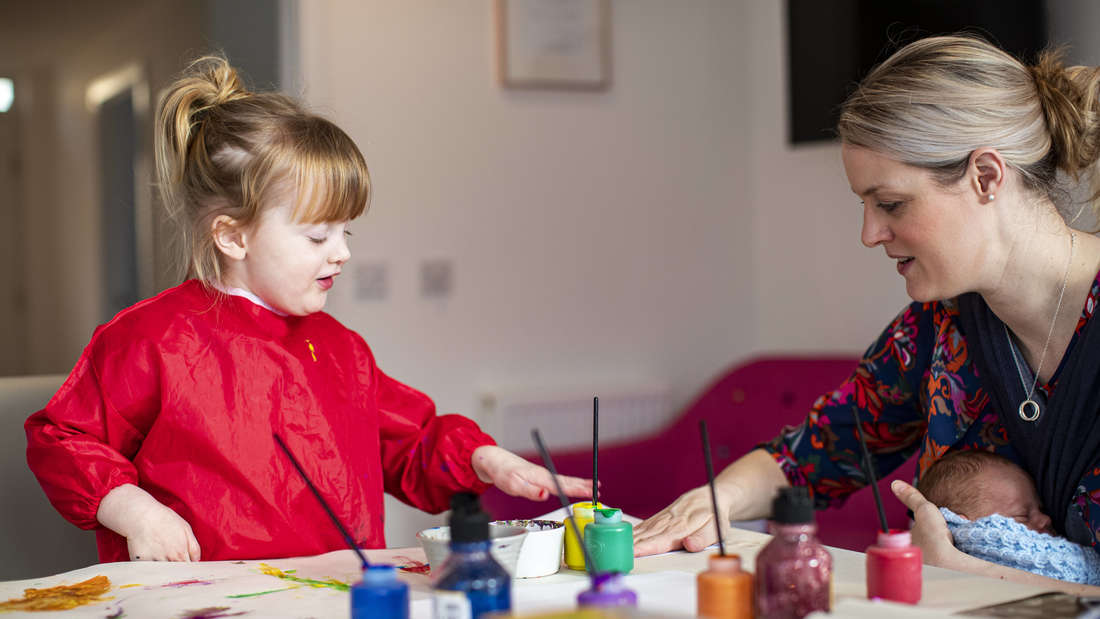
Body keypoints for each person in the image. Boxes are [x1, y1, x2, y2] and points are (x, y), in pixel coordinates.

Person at [24, 55, 590, 564]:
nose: (342, 253)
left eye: (346, 232)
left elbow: (411, 444)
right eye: (317, 237)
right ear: (232, 236)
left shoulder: (341, 348)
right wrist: (137, 513)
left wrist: (485, 459)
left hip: (337, 597)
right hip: (203, 602)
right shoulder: (154, 338)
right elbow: (62, 438)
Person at [633, 34, 1100, 592]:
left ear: (986, 176)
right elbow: (819, 448)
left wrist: (978, 575)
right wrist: (715, 501)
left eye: (891, 204)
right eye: (866, 206)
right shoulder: (941, 327)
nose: (870, 234)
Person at [917, 450, 1100, 585]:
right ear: (963, 526)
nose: (1046, 519)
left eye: (1040, 509)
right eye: (1023, 515)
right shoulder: (983, 547)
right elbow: (1077, 569)